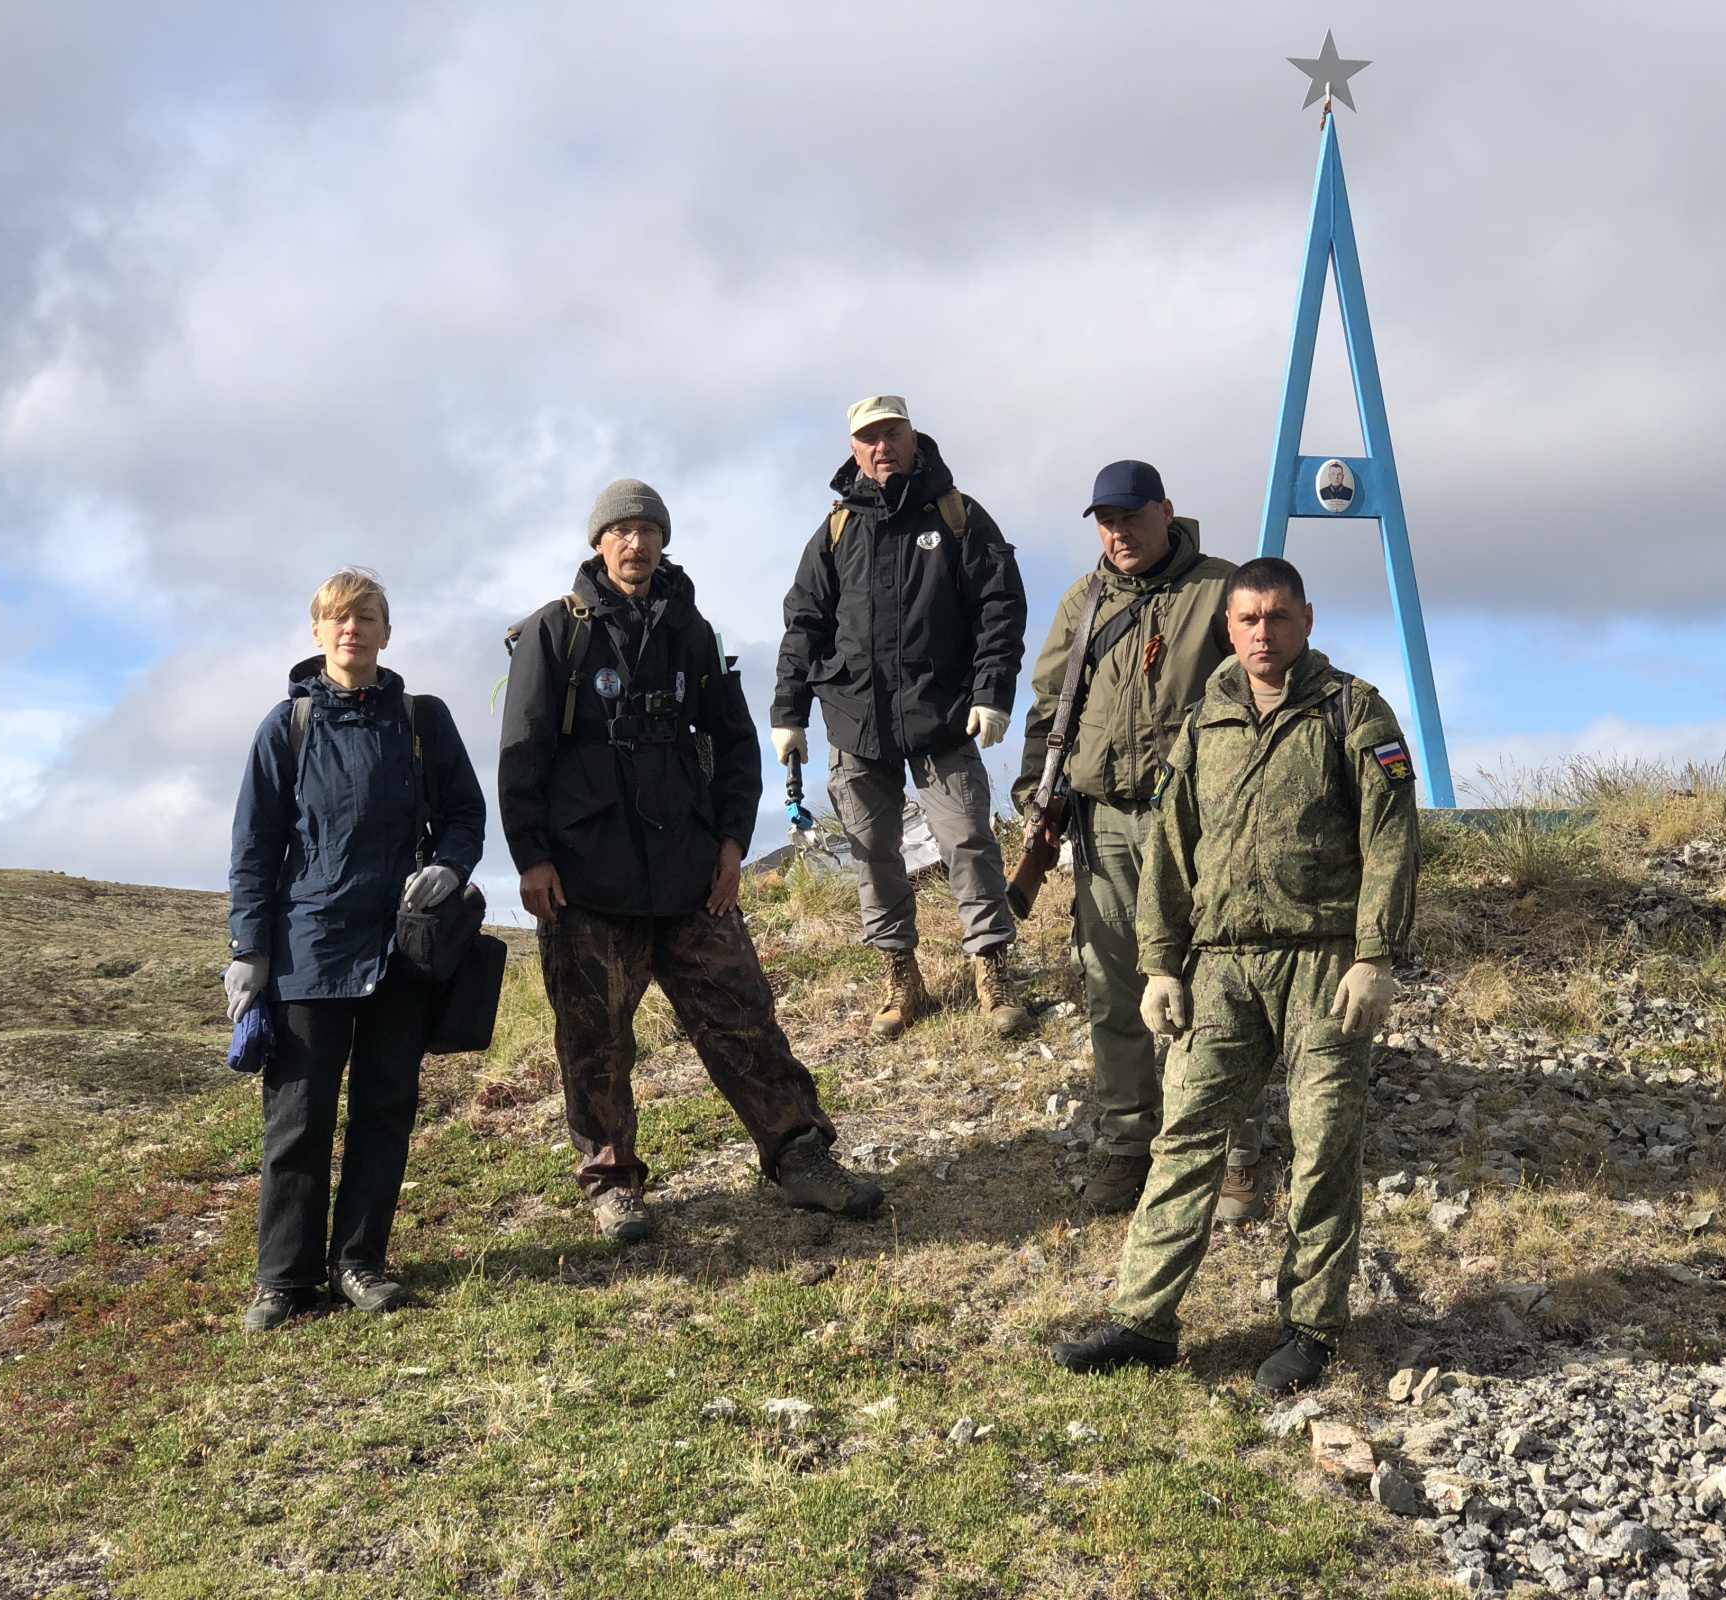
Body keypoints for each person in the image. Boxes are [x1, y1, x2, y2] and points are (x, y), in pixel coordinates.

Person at [1050, 556, 1420, 1394]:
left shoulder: (1351, 711)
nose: (1263, 633)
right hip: (1220, 966)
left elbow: (1391, 837)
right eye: (1248, 619)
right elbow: (1167, 850)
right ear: (1228, 627)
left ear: (1307, 620)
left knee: (1324, 1142)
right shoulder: (1205, 720)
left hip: (1324, 962)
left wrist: (1375, 954)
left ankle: (1310, 1329)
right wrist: (1157, 964)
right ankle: (1143, 1322)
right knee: (1183, 1136)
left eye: (1278, 617)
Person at [500, 478, 883, 1244]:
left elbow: (739, 749)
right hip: (587, 881)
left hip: (690, 877)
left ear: (663, 541)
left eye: (648, 530)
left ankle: (801, 1159)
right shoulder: (554, 633)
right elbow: (521, 755)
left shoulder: (694, 632)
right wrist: (533, 859)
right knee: (594, 1041)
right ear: (598, 544)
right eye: (621, 532)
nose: (635, 543)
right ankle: (612, 1185)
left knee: (744, 1022)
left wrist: (734, 846)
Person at [227, 568, 487, 1332]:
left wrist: (449, 864)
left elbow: (467, 812)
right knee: (298, 1120)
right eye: (338, 619)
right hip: (308, 948)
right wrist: (251, 947)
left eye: (366, 617)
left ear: (385, 631)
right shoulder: (288, 726)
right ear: (317, 634)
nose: (352, 630)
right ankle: (283, 1280)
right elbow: (254, 845)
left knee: (384, 1108)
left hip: (402, 950)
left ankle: (359, 1263)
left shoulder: (421, 720)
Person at [1012, 460, 1267, 1220]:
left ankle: (1231, 1149)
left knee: (1217, 986)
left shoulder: (1224, 589)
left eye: (1129, 516)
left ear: (1166, 511)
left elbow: (1265, 689)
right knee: (1112, 987)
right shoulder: (1082, 601)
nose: (1116, 532)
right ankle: (1126, 1143)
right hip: (1105, 823)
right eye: (1104, 520)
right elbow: (1050, 706)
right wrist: (1037, 799)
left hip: (1199, 818)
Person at [771, 395, 1032, 1040]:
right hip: (854, 720)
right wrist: (789, 711)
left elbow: (1001, 606)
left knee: (968, 840)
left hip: (944, 718)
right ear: (854, 449)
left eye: (891, 433)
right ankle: (900, 978)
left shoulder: (959, 516)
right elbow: (803, 623)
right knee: (872, 853)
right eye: (868, 438)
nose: (880, 447)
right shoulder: (834, 530)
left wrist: (992, 692)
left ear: (914, 437)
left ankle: (992, 970)